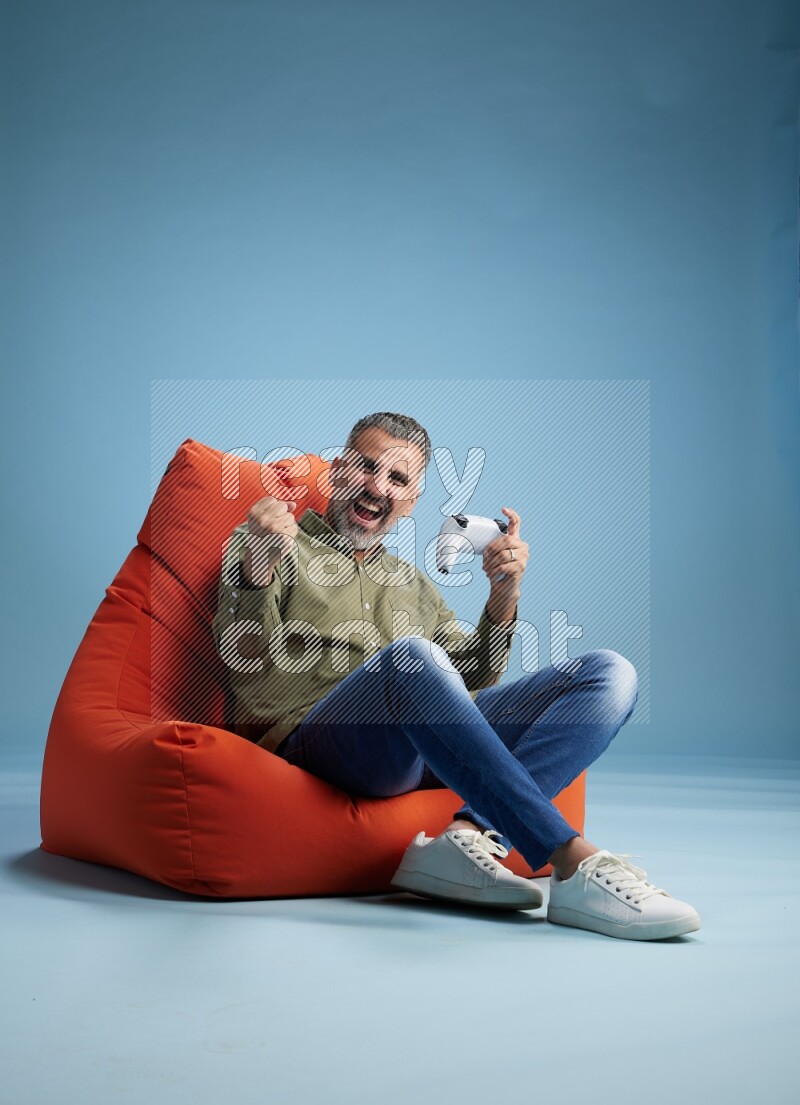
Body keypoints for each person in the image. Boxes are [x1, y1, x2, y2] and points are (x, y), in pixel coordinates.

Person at [212, 411, 700, 941]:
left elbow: (473, 681)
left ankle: (465, 836)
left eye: (397, 479)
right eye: (365, 468)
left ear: (413, 501)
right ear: (337, 472)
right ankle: (570, 860)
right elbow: (252, 677)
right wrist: (259, 565)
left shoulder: (411, 583)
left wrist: (503, 595)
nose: (377, 487)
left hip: (416, 751)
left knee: (610, 673)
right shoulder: (273, 542)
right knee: (413, 658)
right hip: (319, 742)